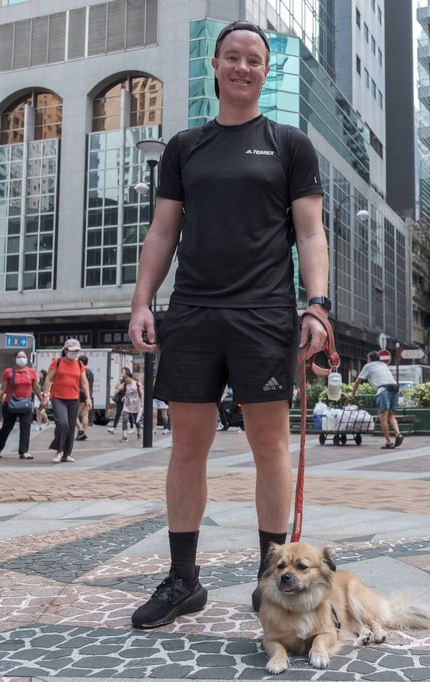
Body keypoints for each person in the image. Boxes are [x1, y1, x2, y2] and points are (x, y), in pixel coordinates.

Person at [126, 19, 329, 629]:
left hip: (265, 313)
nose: (243, 67)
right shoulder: (186, 147)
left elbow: (310, 232)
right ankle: (184, 581)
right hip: (192, 310)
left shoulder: (290, 145)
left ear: (266, 72)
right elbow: (163, 232)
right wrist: (143, 301)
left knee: (269, 448)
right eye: (233, 57)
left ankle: (271, 583)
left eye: (255, 60)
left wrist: (316, 304)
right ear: (214, 66)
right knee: (187, 445)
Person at [43, 338, 92, 463]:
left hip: (74, 399)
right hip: (58, 398)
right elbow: (48, 379)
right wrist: (46, 395)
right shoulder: (57, 362)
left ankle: (67, 454)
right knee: (62, 423)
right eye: (72, 350)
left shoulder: (79, 364)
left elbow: (84, 382)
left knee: (70, 427)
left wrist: (88, 398)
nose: (74, 353)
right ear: (65, 350)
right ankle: (59, 450)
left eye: (77, 351)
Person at [0, 350, 46, 459]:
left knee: (26, 427)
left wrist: (42, 400)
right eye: (19, 356)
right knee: (7, 427)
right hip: (9, 404)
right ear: (15, 359)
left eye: (24, 356)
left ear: (27, 358)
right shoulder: (8, 372)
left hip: (25, 404)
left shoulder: (31, 372)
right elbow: (3, 389)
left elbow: (35, 388)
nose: (22, 359)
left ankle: (23, 451)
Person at [351, 351, 404, 449]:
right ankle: (398, 433)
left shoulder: (368, 366)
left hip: (384, 389)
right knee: (391, 415)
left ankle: (389, 442)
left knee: (383, 417)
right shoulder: (383, 365)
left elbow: (358, 380)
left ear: (369, 359)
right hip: (395, 388)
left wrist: (352, 394)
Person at [118, 370, 143, 442]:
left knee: (136, 421)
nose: (125, 379)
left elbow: (141, 393)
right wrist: (120, 379)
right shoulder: (125, 384)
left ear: (130, 377)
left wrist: (142, 403)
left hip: (136, 405)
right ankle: (124, 436)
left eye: (126, 378)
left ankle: (138, 433)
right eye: (124, 378)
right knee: (125, 419)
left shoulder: (137, 384)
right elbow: (117, 387)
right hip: (127, 405)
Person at [75, 355, 95, 441]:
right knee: (85, 415)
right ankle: (84, 433)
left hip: (79, 395)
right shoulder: (90, 372)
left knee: (73, 415)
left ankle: (80, 430)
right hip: (88, 396)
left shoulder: (79, 371)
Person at [108, 368, 130, 434]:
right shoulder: (122, 380)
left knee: (129, 414)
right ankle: (114, 428)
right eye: (121, 372)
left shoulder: (129, 380)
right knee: (118, 413)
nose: (122, 373)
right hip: (120, 399)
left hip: (127, 398)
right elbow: (116, 387)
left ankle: (132, 427)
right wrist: (120, 379)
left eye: (123, 372)